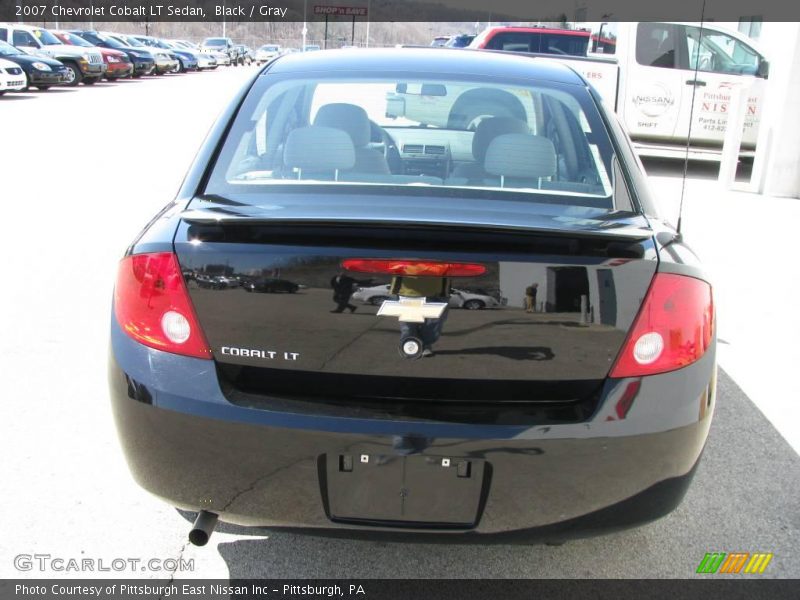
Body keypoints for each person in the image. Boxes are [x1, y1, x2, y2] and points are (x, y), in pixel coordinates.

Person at [390, 275, 450, 357]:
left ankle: (426, 344)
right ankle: (409, 346)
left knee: (432, 325)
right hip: (407, 290)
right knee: (408, 325)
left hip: (437, 290)